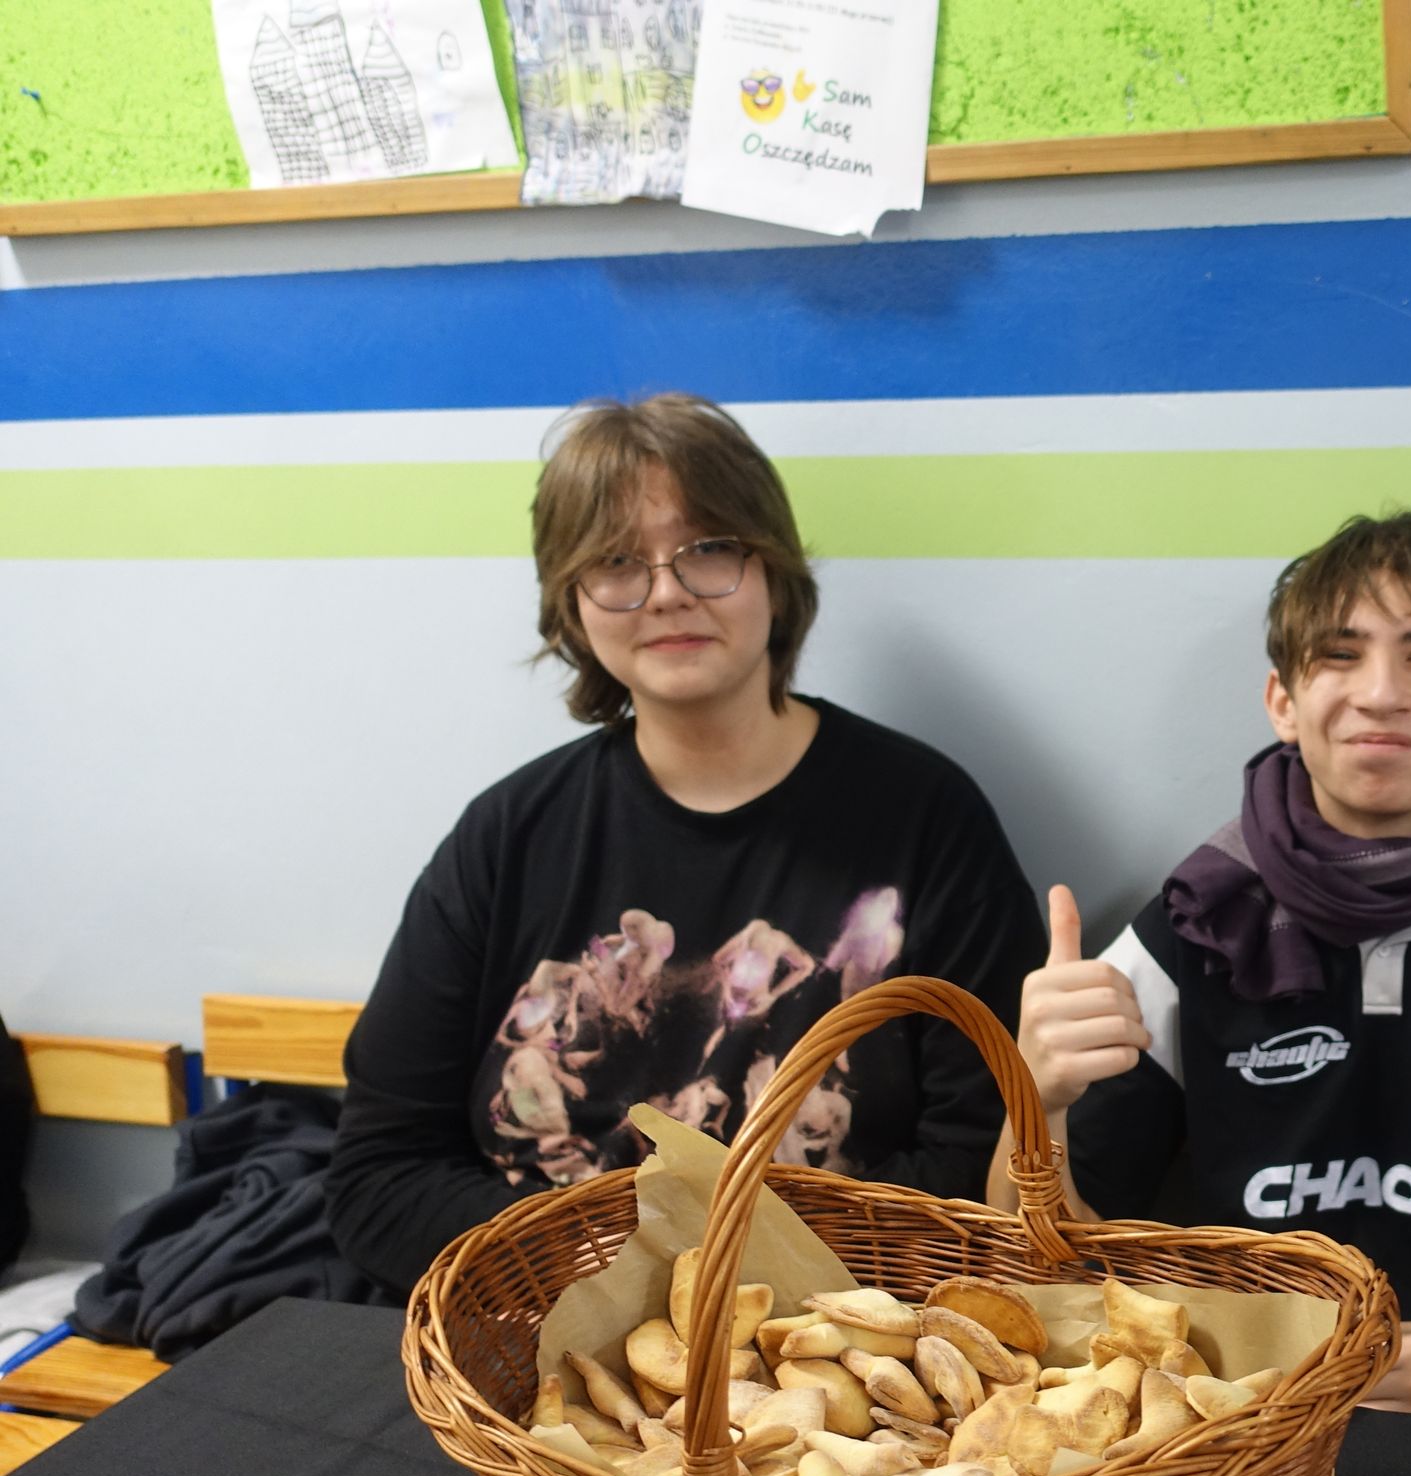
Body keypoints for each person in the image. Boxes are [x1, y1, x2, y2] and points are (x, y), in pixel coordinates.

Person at [328, 394, 1043, 1295]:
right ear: (572, 602)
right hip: (533, 1337)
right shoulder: (508, 837)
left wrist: (737, 1289)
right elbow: (379, 1177)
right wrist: (612, 1273)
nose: (666, 591)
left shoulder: (928, 819)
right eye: (616, 561)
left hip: (830, 1347)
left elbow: (984, 1167)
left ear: (772, 570)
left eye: (708, 548)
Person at [987, 512, 1411, 1427]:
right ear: (1283, 701)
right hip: (1241, 1421)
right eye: (1341, 656)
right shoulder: (1193, 926)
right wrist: (1036, 1101)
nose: (1381, 694)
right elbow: (1046, 1257)